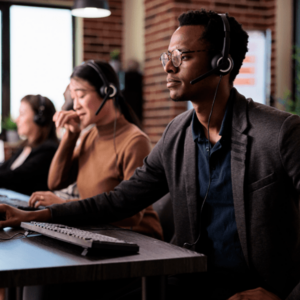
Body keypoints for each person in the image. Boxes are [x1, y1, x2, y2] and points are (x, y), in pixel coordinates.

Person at [1, 9, 300, 300]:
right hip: (188, 278)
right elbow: (119, 200)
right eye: (167, 57)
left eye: (182, 57)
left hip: (255, 288)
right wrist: (33, 215)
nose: (169, 67)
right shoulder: (177, 133)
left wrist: (287, 296)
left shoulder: (280, 133)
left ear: (221, 62)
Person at [27, 61, 163, 240]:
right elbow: (55, 182)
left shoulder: (135, 141)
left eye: (81, 96)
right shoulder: (88, 136)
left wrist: (65, 205)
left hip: (140, 240)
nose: (75, 106)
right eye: (73, 98)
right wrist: (71, 135)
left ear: (107, 92)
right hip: (98, 233)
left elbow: (132, 214)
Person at [0, 95, 58, 195]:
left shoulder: (49, 150)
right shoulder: (25, 147)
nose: (16, 120)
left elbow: (14, 177)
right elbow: (4, 169)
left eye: (21, 114)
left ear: (39, 118)